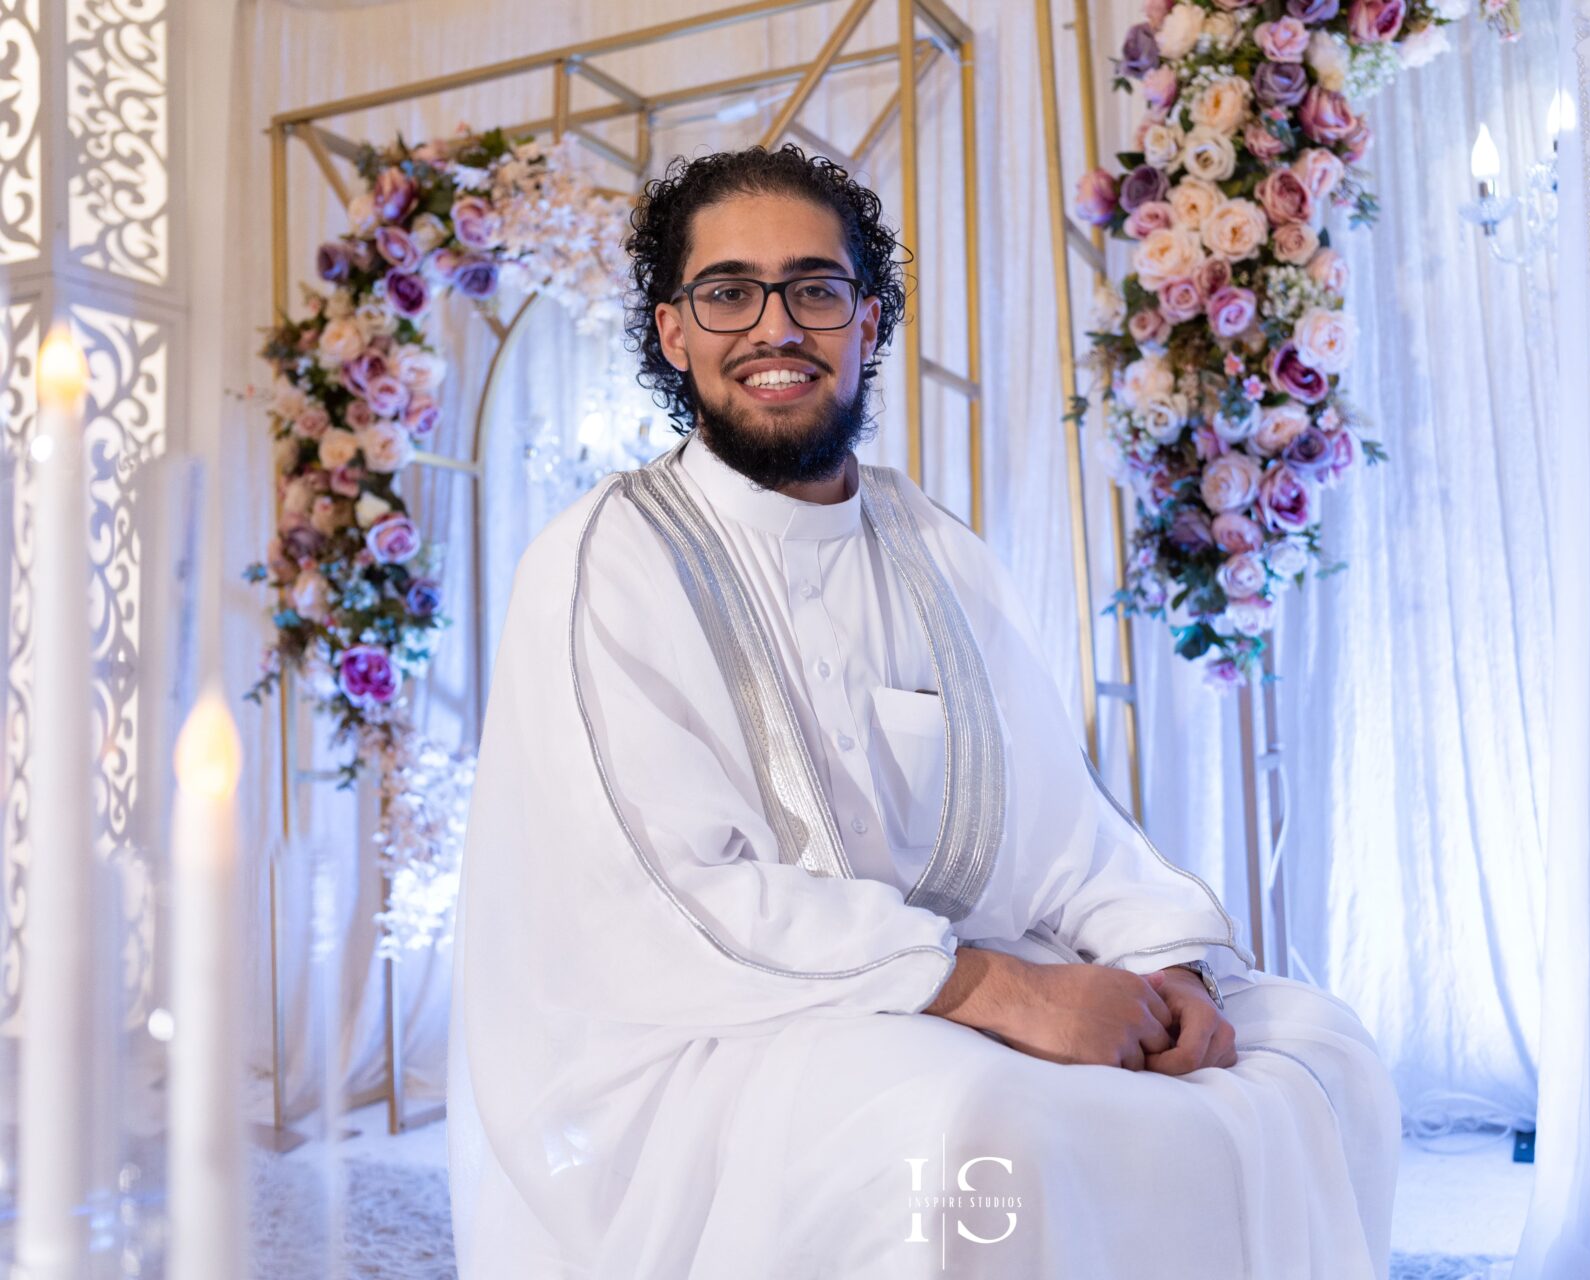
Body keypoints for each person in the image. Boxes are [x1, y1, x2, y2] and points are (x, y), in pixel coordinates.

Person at [447, 144, 1399, 1279]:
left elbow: (1062, 819)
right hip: (706, 1030)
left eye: (815, 287)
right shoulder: (605, 555)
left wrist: (1167, 967)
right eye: (727, 292)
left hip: (940, 984)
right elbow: (670, 894)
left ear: (869, 319)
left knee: (1318, 1052)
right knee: (979, 1132)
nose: (774, 327)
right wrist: (1006, 993)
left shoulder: (934, 547)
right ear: (673, 333)